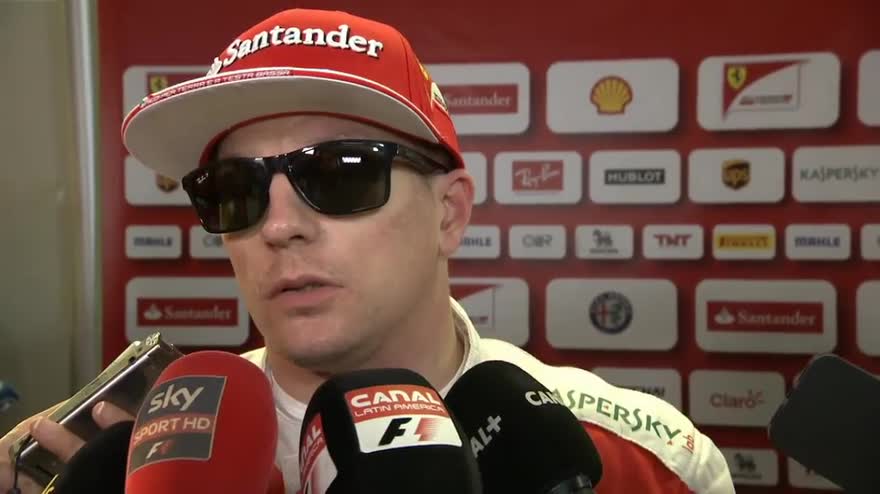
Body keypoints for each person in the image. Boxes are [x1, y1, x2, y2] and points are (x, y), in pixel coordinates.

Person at [0, 8, 735, 494]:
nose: (278, 227)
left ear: (449, 213)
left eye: (338, 175)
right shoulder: (137, 459)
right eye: (235, 190)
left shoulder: (646, 461)